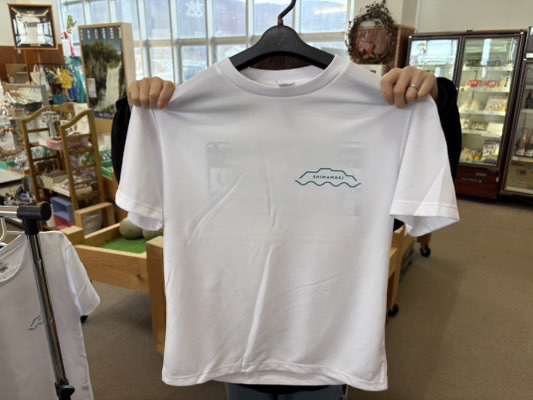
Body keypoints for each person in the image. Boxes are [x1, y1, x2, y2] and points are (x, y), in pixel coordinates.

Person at [112, 65, 461, 400]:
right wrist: (132, 113)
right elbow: (143, 197)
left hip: (328, 349)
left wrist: (439, 100)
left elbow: (419, 200)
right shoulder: (181, 113)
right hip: (234, 345)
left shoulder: (385, 108)